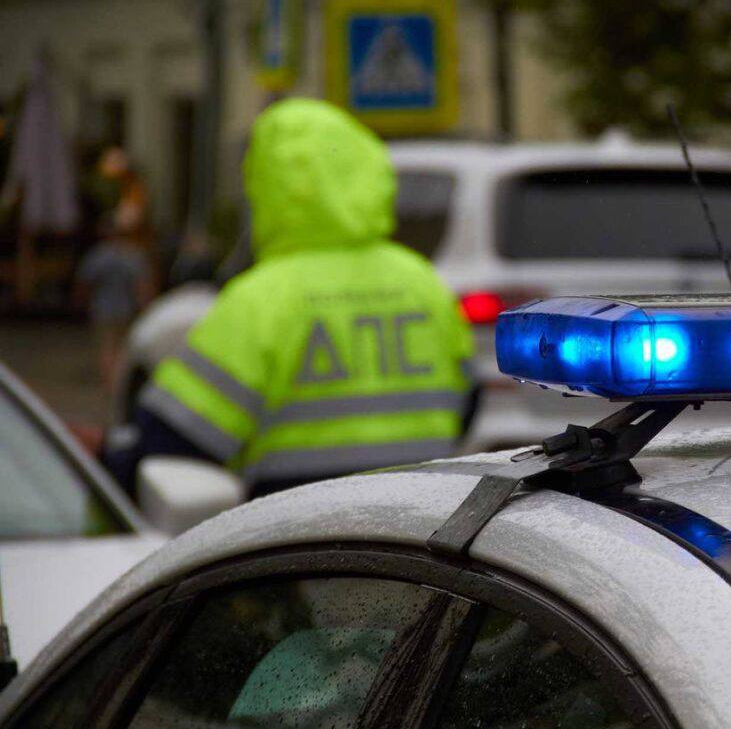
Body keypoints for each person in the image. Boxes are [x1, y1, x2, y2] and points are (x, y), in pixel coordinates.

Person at [135, 98, 473, 497]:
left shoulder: (260, 299)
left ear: (270, 187)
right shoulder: (422, 282)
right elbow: (469, 397)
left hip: (298, 527)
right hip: (422, 523)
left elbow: (172, 440)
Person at [75, 210, 154, 394]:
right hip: (126, 310)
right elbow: (142, 286)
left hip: (103, 309)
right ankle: (116, 383)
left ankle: (109, 383)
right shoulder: (134, 256)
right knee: (121, 349)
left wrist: (81, 302)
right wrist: (145, 307)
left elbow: (84, 283)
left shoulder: (98, 255)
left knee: (107, 347)